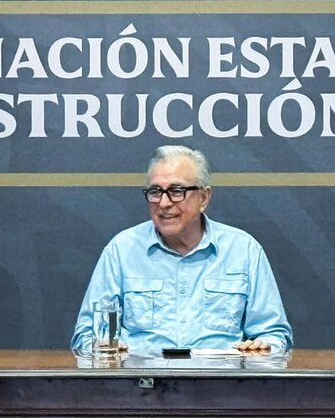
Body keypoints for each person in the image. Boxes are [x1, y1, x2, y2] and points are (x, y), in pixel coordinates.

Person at [71, 145, 292, 354]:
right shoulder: (121, 250)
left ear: (204, 198)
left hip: (224, 386)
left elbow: (274, 334)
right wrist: (103, 347)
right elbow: (86, 336)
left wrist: (263, 350)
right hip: (140, 388)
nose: (164, 203)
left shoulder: (244, 250)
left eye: (176, 191)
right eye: (156, 191)